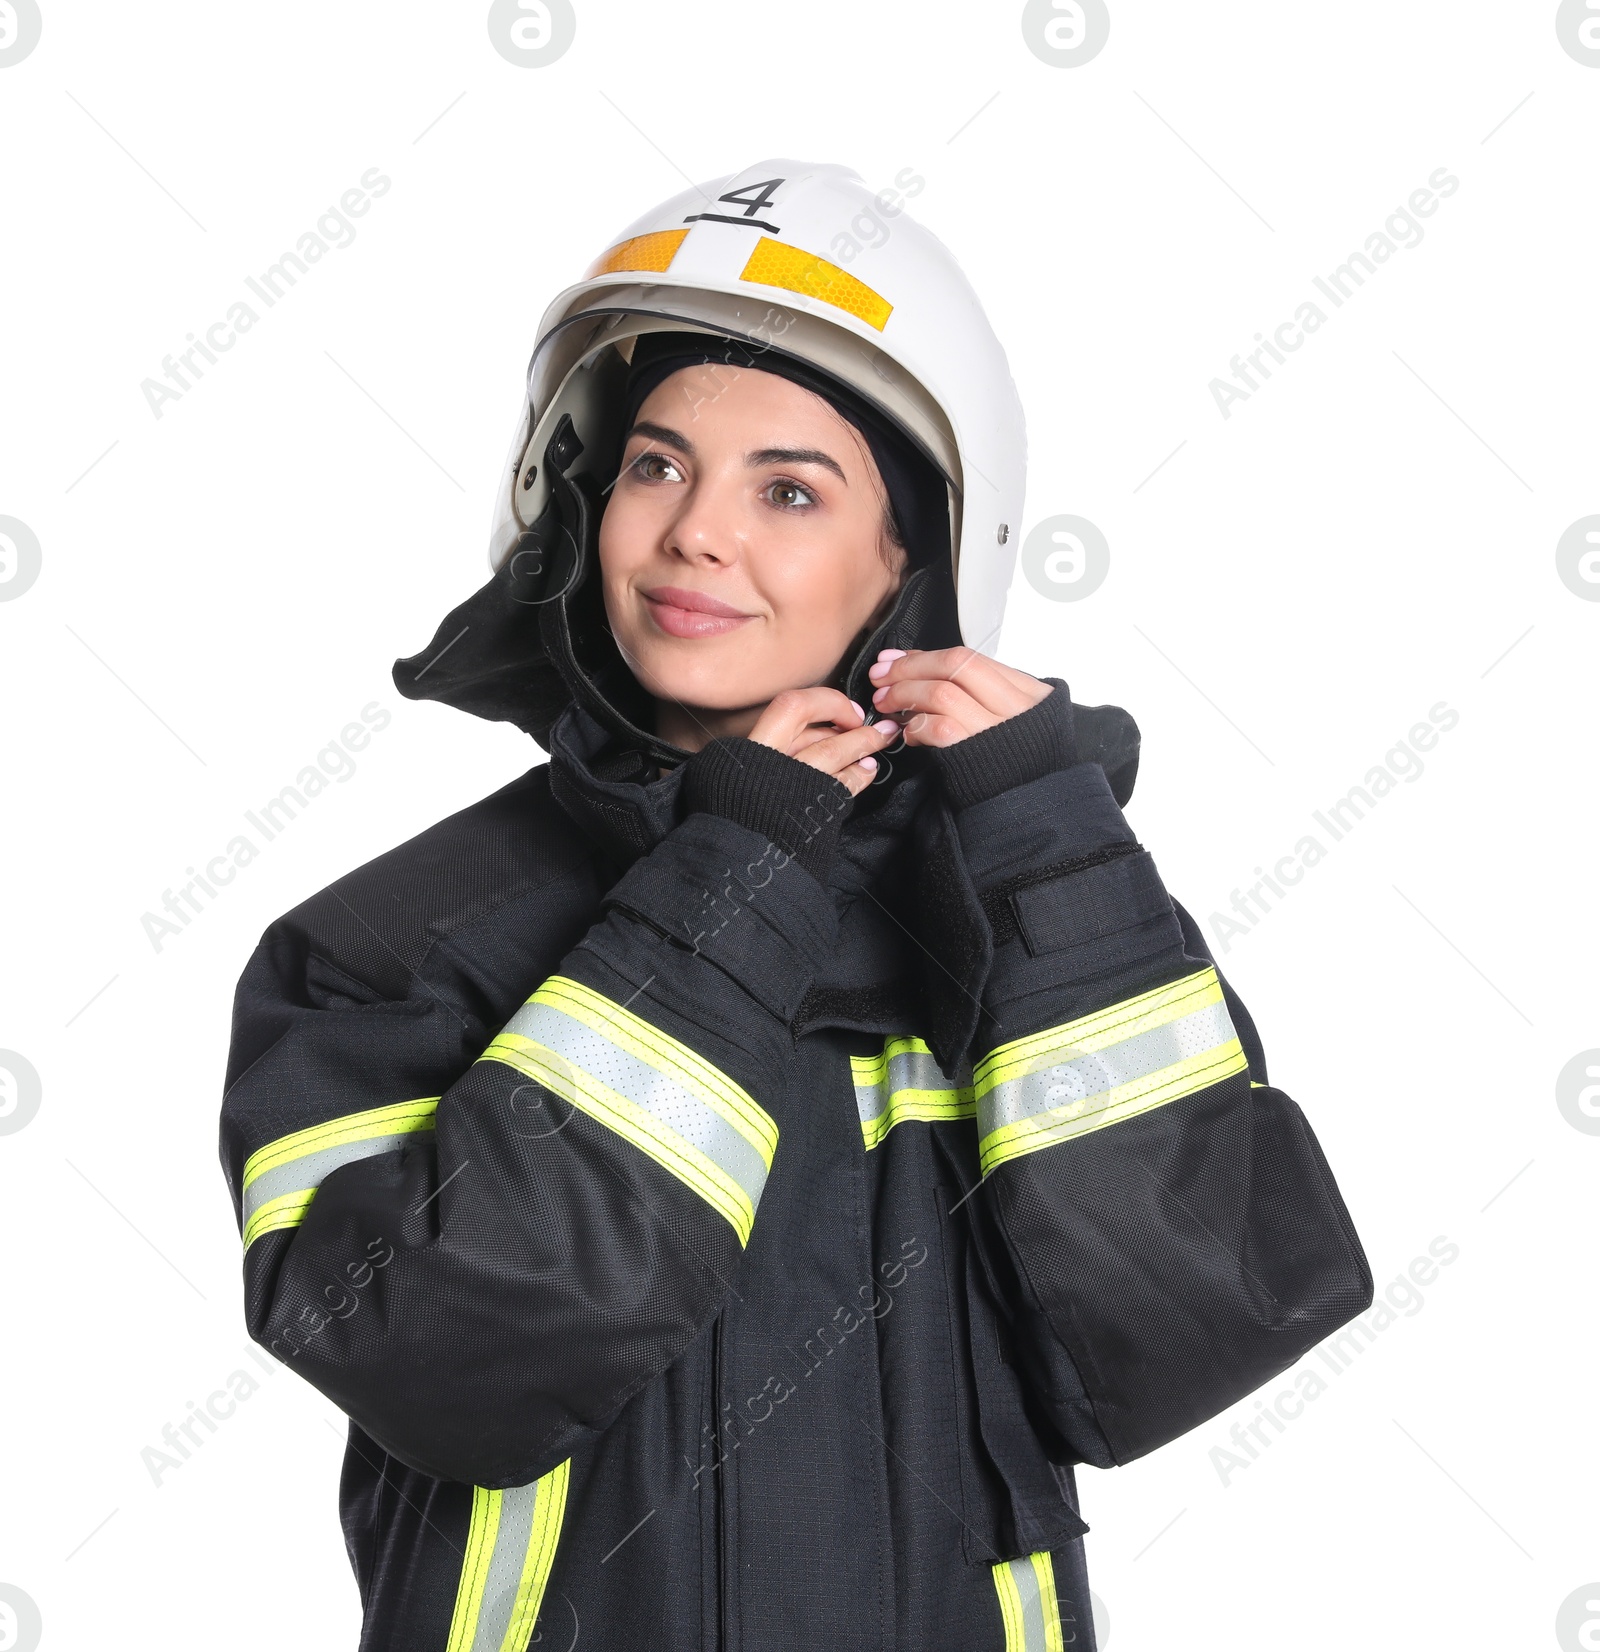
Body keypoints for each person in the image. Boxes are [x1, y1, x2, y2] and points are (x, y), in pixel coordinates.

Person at [219, 161, 1373, 1652]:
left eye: (788, 489)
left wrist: (1047, 851)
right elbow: (446, 1364)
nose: (698, 532)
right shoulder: (389, 946)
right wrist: (729, 882)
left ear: (916, 558)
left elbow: (1191, 1329)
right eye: (653, 465)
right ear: (580, 498)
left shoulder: (1034, 912)